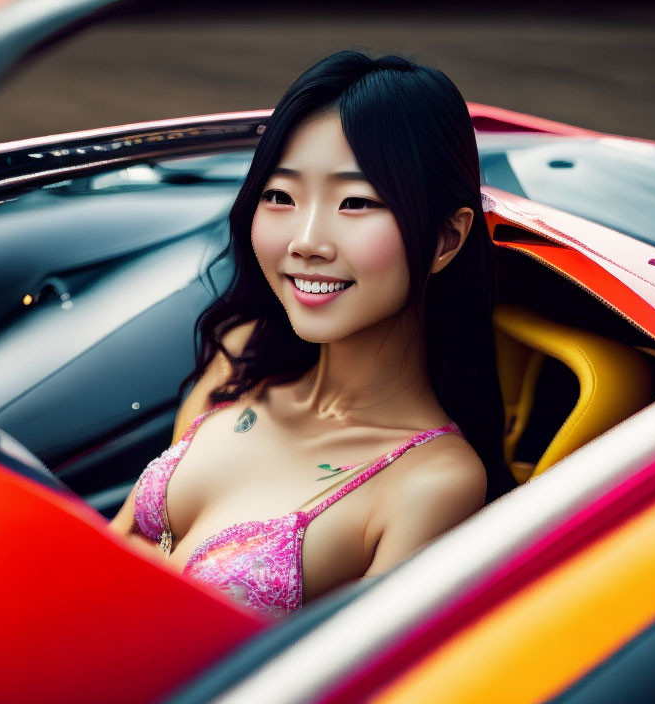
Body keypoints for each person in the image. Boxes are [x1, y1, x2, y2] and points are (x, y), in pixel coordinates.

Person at [109, 49, 515, 617]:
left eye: (355, 202)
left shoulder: (434, 481)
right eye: (280, 196)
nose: (306, 240)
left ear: (447, 240)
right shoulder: (241, 358)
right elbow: (113, 545)